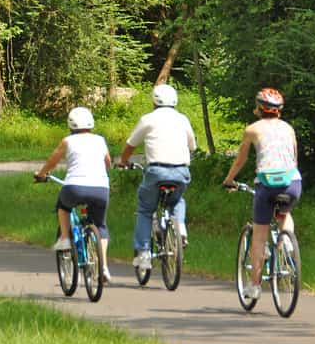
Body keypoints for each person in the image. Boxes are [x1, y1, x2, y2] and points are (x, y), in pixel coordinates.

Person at [223, 87, 302, 300]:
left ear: (259, 108)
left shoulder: (252, 129)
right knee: (284, 212)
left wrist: (229, 180)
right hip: (292, 182)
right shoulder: (288, 128)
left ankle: (255, 286)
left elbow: (241, 160)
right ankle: (287, 242)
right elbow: (294, 158)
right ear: (279, 110)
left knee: (259, 236)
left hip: (267, 184)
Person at [117, 84, 197, 271]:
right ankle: (181, 229)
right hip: (180, 172)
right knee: (177, 200)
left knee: (145, 209)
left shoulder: (148, 119)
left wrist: (123, 161)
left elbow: (130, 144)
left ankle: (144, 252)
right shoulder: (182, 119)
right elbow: (192, 146)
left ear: (154, 101)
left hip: (156, 171)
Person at [34, 106, 113, 282]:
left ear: (70, 125)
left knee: (63, 207)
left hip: (74, 187)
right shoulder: (100, 140)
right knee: (100, 226)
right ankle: (104, 267)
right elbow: (108, 162)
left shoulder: (67, 141)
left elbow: (52, 161)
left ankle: (64, 238)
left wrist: (41, 174)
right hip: (100, 188)